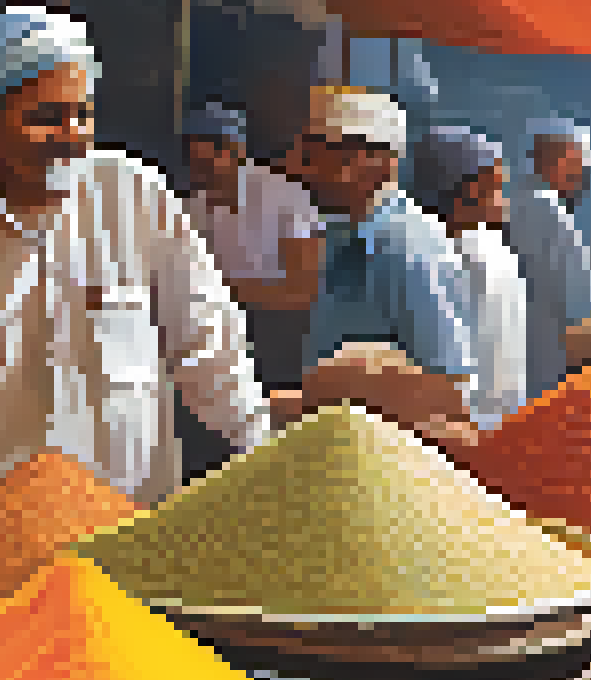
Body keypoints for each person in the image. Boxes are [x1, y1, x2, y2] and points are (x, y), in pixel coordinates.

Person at [0, 6, 271, 544]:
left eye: (82, 114)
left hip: (118, 535)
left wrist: (256, 447)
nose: (70, 135)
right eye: (45, 116)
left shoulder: (134, 196)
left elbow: (207, 340)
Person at [298, 89, 476, 392]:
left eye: (320, 157)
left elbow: (449, 383)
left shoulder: (407, 244)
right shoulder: (348, 236)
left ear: (378, 163)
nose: (308, 172)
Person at [179, 101, 325, 390]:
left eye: (208, 164)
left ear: (235, 151)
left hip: (281, 341)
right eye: (195, 164)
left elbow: (302, 291)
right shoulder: (190, 206)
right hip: (216, 341)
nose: (201, 174)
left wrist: (220, 289)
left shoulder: (287, 197)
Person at [414, 128, 527, 430]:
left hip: (462, 428)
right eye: (499, 188)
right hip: (503, 422)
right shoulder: (494, 248)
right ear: (473, 189)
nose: (505, 202)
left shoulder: (448, 253)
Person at [509, 118, 591, 407]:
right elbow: (581, 308)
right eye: (581, 167)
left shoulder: (511, 205)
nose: (584, 179)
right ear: (560, 161)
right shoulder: (552, 216)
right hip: (552, 379)